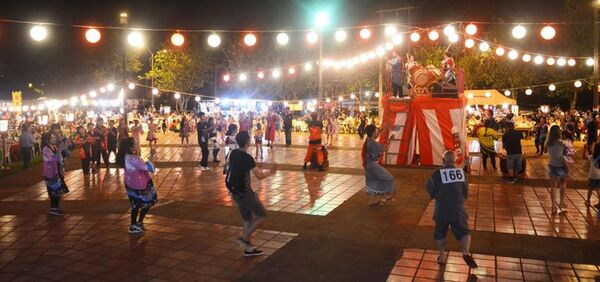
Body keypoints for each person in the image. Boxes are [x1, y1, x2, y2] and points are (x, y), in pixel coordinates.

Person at [225, 131, 274, 256]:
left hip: (235, 192)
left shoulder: (233, 153)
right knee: (262, 215)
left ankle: (248, 249)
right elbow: (259, 176)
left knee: (247, 219)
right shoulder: (247, 158)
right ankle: (243, 237)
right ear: (247, 142)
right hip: (246, 193)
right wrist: (271, 172)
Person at [426, 150, 477, 268]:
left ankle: (442, 257)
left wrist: (435, 195)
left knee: (440, 232)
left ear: (443, 161)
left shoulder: (437, 173)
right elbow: (465, 192)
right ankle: (465, 252)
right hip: (458, 208)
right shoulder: (461, 173)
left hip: (441, 207)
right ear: (455, 161)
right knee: (464, 232)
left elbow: (430, 189)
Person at [117, 137, 158, 234]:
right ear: (131, 147)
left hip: (131, 184)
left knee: (136, 204)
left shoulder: (127, 156)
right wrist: (151, 157)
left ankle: (136, 223)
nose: (137, 144)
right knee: (144, 204)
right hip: (139, 185)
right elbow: (149, 168)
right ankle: (135, 224)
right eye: (135, 143)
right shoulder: (133, 158)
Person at [362, 124, 395, 205]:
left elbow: (375, 133)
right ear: (373, 134)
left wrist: (382, 129)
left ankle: (373, 200)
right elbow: (385, 149)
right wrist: (390, 140)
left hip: (368, 165)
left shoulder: (369, 139)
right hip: (372, 165)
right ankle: (385, 195)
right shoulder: (372, 143)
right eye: (377, 132)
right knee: (388, 178)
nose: (378, 133)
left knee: (375, 181)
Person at [42, 133, 68, 216]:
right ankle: (53, 209)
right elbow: (53, 159)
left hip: (57, 171)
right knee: (54, 191)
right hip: (50, 173)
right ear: (47, 140)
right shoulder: (45, 149)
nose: (54, 139)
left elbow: (60, 156)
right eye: (52, 137)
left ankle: (56, 208)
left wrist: (64, 147)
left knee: (58, 191)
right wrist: (60, 150)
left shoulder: (54, 147)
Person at [544, 125, 568, 214]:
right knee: (563, 182)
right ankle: (562, 201)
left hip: (551, 164)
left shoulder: (548, 142)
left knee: (553, 186)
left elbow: (545, 151)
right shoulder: (562, 142)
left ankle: (553, 205)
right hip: (561, 165)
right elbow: (566, 154)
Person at [586, 143, 600, 209]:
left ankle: (588, 201)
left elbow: (586, 157)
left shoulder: (591, 157)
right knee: (598, 189)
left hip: (592, 176)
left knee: (590, 188)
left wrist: (586, 149)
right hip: (599, 176)